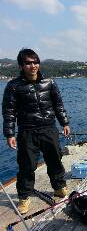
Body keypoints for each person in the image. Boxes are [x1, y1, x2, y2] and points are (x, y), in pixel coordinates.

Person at [2, 48, 71, 214]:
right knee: (26, 165)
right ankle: (24, 197)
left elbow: (58, 105)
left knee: (55, 159)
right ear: (21, 66)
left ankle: (59, 187)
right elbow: (9, 111)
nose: (33, 65)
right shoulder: (13, 86)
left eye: (35, 62)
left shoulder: (49, 82)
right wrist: (10, 134)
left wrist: (65, 123)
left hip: (49, 128)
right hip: (27, 131)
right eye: (28, 62)